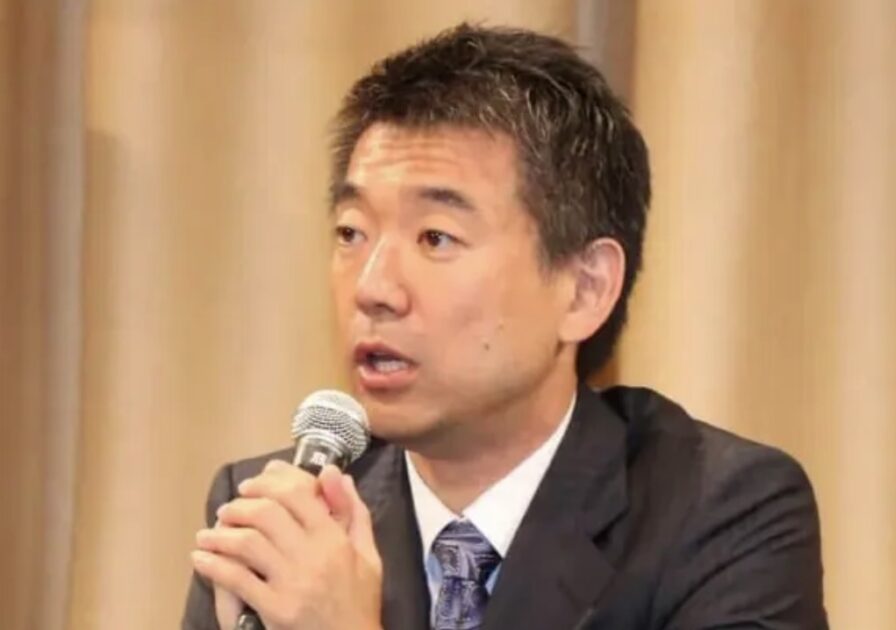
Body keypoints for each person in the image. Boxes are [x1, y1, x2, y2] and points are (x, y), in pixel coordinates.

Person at [182, 23, 827, 630]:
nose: (372, 288)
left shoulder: (722, 514)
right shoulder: (280, 522)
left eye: (436, 237)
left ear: (585, 288)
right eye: (352, 233)